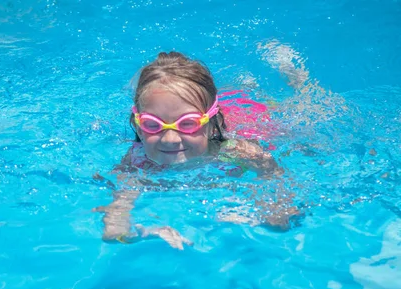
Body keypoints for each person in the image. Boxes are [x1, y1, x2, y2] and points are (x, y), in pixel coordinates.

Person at [93, 50, 301, 250]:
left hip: (252, 119)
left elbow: (284, 211)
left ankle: (296, 78)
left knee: (293, 117)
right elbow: (113, 229)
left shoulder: (241, 153)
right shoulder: (135, 162)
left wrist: (252, 216)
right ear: (138, 125)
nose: (170, 139)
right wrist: (146, 233)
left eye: (188, 124)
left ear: (212, 125)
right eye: (153, 124)